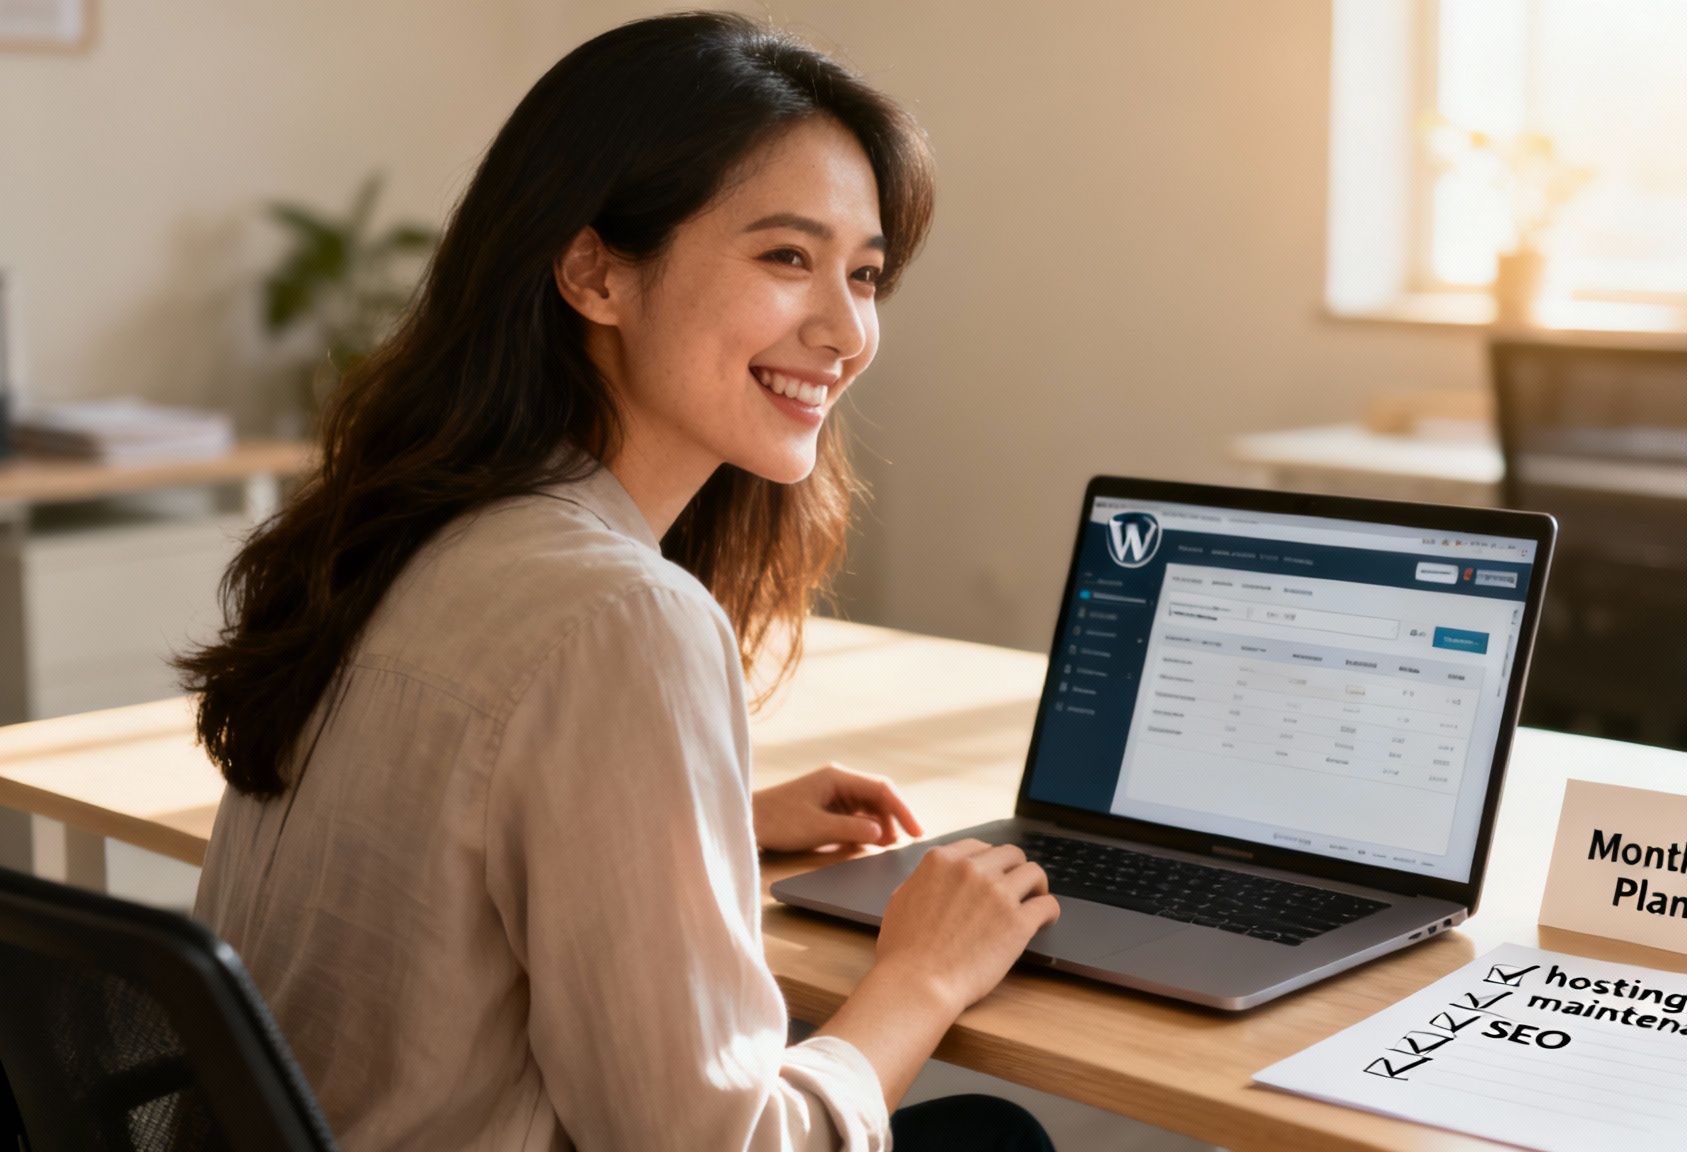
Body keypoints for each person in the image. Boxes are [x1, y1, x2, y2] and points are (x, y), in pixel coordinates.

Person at [180, 12, 1060, 1151]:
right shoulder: (620, 614)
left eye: (865, 274)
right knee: (992, 1136)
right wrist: (922, 977)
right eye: (786, 258)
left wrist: (704, 828)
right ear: (594, 272)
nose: (847, 331)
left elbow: (426, 842)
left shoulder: (401, 528)